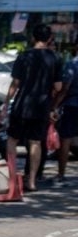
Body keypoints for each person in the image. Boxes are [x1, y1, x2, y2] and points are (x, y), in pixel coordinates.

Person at [3, 24, 63, 192]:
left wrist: (6, 103)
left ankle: (12, 176)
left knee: (12, 139)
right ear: (49, 38)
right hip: (42, 106)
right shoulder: (55, 58)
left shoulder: (24, 56)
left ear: (33, 38)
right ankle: (31, 181)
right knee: (36, 142)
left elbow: (15, 84)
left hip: (22, 104)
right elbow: (58, 86)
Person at [53, 43, 78, 184]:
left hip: (72, 106)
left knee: (66, 139)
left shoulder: (72, 64)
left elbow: (65, 88)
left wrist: (55, 105)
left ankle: (61, 173)